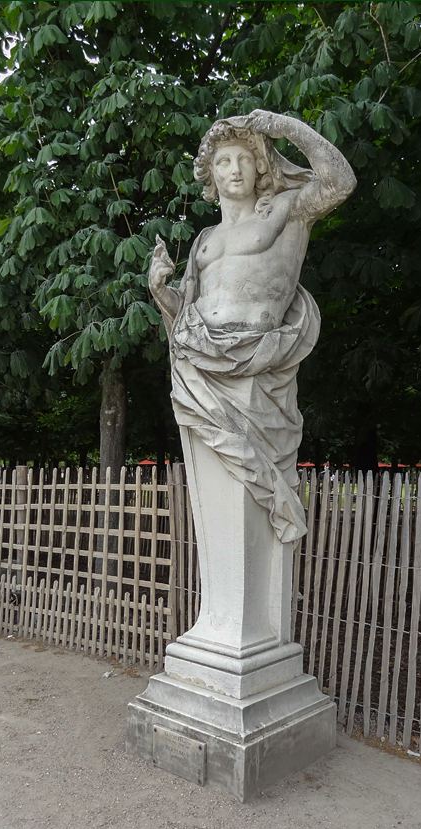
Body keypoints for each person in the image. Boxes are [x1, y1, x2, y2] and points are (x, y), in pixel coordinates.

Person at [148, 109, 356, 544]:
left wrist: (284, 127)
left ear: (261, 163)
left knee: (252, 506)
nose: (234, 170)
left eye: (243, 158)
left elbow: (340, 181)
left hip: (259, 365)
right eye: (223, 162)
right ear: (210, 174)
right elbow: (186, 311)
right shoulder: (205, 239)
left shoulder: (284, 209)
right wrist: (159, 289)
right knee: (218, 501)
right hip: (199, 365)